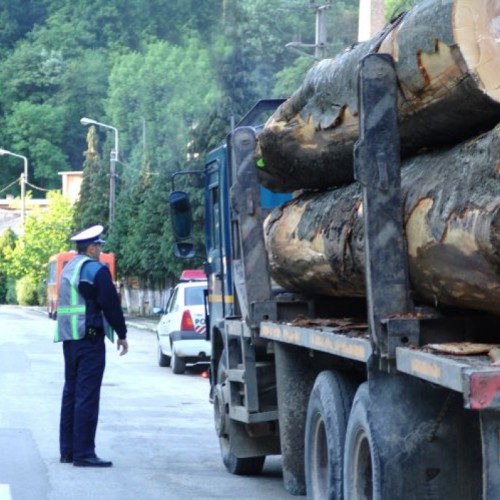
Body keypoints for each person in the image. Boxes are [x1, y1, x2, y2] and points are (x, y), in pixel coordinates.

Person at [54, 224, 128, 467]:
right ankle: (84, 453)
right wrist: (122, 333)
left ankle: (68, 451)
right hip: (90, 339)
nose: (100, 251)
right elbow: (110, 304)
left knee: (71, 393)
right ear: (92, 247)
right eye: (99, 246)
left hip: (70, 339)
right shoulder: (96, 270)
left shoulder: (70, 268)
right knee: (87, 395)